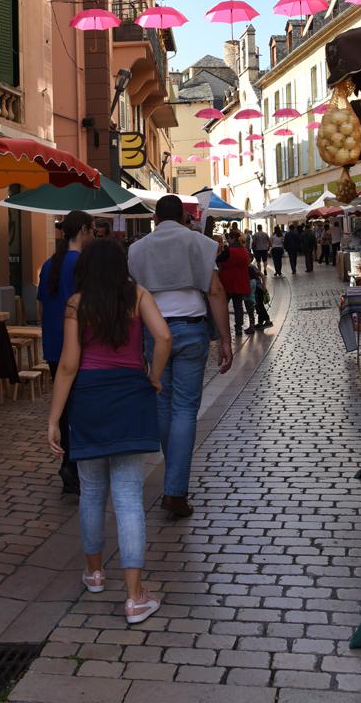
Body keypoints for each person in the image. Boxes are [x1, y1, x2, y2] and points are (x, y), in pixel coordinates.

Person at [47, 239, 171, 625]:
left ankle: (95, 573)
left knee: (92, 491)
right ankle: (135, 597)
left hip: (89, 401)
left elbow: (68, 365)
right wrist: (153, 376)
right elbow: (165, 337)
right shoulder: (137, 295)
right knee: (130, 498)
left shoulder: (77, 304)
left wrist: (54, 418)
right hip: (130, 397)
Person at [128, 195, 233, 518]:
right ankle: (175, 491)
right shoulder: (199, 244)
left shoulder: (137, 249)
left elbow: (132, 299)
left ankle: (173, 481)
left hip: (153, 331)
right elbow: (215, 291)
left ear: (156, 218)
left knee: (162, 403)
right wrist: (226, 340)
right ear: (185, 217)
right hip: (191, 330)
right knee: (185, 410)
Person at [37, 211, 95, 495]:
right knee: (80, 406)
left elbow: (41, 306)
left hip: (53, 342)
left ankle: (68, 461)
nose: (94, 235)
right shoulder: (85, 264)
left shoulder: (50, 264)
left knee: (63, 405)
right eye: (92, 230)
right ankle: (75, 464)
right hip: (78, 344)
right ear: (83, 230)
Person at [218, 230, 250, 335]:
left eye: (229, 239)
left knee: (223, 305)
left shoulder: (229, 250)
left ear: (232, 239)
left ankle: (221, 328)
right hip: (240, 282)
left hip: (227, 282)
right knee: (238, 306)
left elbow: (218, 259)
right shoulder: (244, 250)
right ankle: (238, 328)